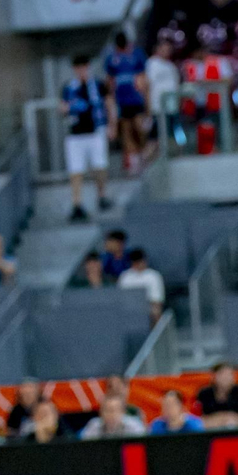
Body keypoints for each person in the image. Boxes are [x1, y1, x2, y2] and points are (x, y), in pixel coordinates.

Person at [60, 55, 115, 221]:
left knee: (99, 166)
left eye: (83, 67)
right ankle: (77, 203)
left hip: (95, 131)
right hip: (76, 134)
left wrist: (112, 126)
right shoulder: (70, 87)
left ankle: (102, 195)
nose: (81, 71)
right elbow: (62, 107)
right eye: (78, 68)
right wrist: (70, 108)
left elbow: (109, 104)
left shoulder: (97, 85)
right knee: (76, 170)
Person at [105, 31, 151, 173]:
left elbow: (144, 79)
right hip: (121, 100)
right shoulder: (112, 58)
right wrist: (112, 104)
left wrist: (147, 104)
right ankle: (134, 159)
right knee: (126, 130)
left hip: (136, 99)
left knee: (139, 127)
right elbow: (109, 81)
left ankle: (143, 153)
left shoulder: (136, 54)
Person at [117, 248, 165, 322]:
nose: (139, 264)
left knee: (156, 311)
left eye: (140, 261)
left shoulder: (153, 275)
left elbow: (157, 300)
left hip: (148, 309)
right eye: (136, 262)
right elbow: (121, 298)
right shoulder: (125, 276)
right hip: (129, 310)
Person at [196, 362, 238, 427]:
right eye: (223, 374)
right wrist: (221, 418)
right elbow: (200, 418)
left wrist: (227, 418)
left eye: (230, 374)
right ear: (215, 376)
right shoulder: (204, 393)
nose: (227, 378)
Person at [80, 394, 146, 440]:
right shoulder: (94, 425)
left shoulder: (134, 426)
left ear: (122, 411)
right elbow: (84, 448)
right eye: (106, 410)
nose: (110, 414)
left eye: (113, 410)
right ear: (100, 412)